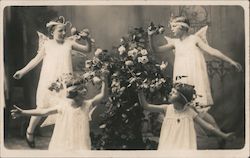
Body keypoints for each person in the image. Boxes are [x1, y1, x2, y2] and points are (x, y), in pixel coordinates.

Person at [148, 16, 242, 137]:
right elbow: (156, 50)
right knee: (188, 109)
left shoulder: (194, 39)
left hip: (194, 79)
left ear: (183, 27)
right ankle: (218, 135)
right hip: (181, 79)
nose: (172, 29)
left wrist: (230, 61)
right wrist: (151, 36)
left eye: (174, 27)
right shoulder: (175, 43)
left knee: (198, 110)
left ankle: (220, 135)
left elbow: (212, 51)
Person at [13, 16, 93, 148]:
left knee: (63, 108)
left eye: (64, 31)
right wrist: (22, 71)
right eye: (60, 31)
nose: (63, 33)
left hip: (65, 81)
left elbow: (87, 49)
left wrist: (87, 39)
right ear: (52, 32)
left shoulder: (69, 43)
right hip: (48, 81)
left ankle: (61, 140)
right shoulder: (47, 44)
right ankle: (30, 131)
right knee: (42, 108)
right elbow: (35, 60)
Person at [11, 70, 109, 150]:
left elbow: (102, 95)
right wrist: (23, 112)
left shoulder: (87, 105)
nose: (84, 92)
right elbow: (43, 112)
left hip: (80, 141)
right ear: (74, 95)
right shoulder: (63, 106)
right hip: (63, 141)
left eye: (84, 89)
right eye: (81, 90)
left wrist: (105, 81)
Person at [138, 83, 235, 150]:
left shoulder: (190, 112)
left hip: (184, 144)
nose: (170, 93)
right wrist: (140, 92)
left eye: (174, 92)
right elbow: (146, 106)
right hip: (168, 143)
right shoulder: (166, 108)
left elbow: (208, 127)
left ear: (181, 98)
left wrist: (224, 136)